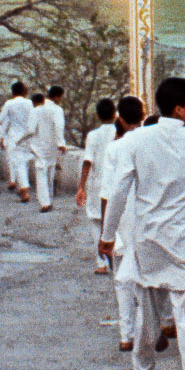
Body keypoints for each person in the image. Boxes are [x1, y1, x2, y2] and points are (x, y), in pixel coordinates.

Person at [102, 77, 185, 370]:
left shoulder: (138, 141)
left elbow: (119, 191)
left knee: (146, 315)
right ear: (180, 109)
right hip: (184, 240)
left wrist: (108, 236)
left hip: (147, 238)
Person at [76, 98, 119, 263]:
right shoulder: (119, 133)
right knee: (113, 219)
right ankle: (113, 254)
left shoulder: (93, 135)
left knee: (95, 219)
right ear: (115, 114)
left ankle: (101, 262)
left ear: (98, 115)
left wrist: (81, 187)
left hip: (96, 183)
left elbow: (88, 162)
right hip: (115, 182)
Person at [0, 80, 37, 201]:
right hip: (27, 137)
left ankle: (24, 189)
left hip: (14, 137)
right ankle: (22, 186)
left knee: (18, 163)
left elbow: (2, 120)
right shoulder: (30, 103)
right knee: (24, 163)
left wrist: (1, 136)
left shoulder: (9, 103)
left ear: (12, 92)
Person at [33, 84, 67, 212]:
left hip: (38, 145)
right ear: (57, 97)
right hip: (52, 146)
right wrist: (61, 143)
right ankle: (49, 199)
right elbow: (59, 126)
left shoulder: (37, 109)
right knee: (50, 172)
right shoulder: (57, 110)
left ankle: (44, 202)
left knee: (41, 172)